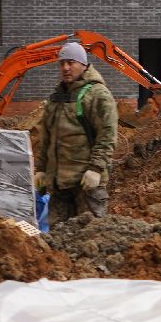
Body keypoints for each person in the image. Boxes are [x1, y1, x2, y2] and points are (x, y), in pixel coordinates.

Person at [32, 40, 119, 223]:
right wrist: (41, 169)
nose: (65, 68)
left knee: (91, 238)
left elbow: (108, 135)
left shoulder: (98, 95)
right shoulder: (57, 98)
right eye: (62, 63)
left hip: (86, 185)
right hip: (59, 185)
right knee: (58, 241)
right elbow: (46, 138)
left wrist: (96, 169)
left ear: (83, 64)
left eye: (71, 62)